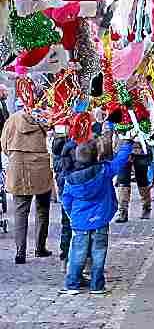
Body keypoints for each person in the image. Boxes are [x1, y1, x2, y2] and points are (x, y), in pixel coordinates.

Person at [61, 138, 134, 295]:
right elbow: (119, 162)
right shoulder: (103, 171)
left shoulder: (70, 179)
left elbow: (66, 200)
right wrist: (127, 145)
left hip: (80, 221)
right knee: (99, 252)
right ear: (96, 157)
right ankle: (97, 285)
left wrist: (72, 215)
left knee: (77, 253)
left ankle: (72, 283)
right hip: (100, 219)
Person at [1, 108, 53, 264]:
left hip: (18, 168)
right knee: (43, 210)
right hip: (41, 168)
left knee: (20, 212)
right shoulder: (44, 120)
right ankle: (40, 247)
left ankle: (20, 252)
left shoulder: (12, 119)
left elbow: (3, 145)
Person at [112, 113, 152, 222]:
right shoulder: (118, 109)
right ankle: (123, 211)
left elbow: (148, 127)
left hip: (140, 150)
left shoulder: (142, 108)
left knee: (142, 180)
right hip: (123, 148)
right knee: (122, 180)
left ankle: (146, 207)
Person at [52, 133, 77, 264]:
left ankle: (65, 257)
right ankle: (72, 258)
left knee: (66, 225)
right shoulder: (72, 147)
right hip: (74, 192)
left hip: (65, 192)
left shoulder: (57, 146)